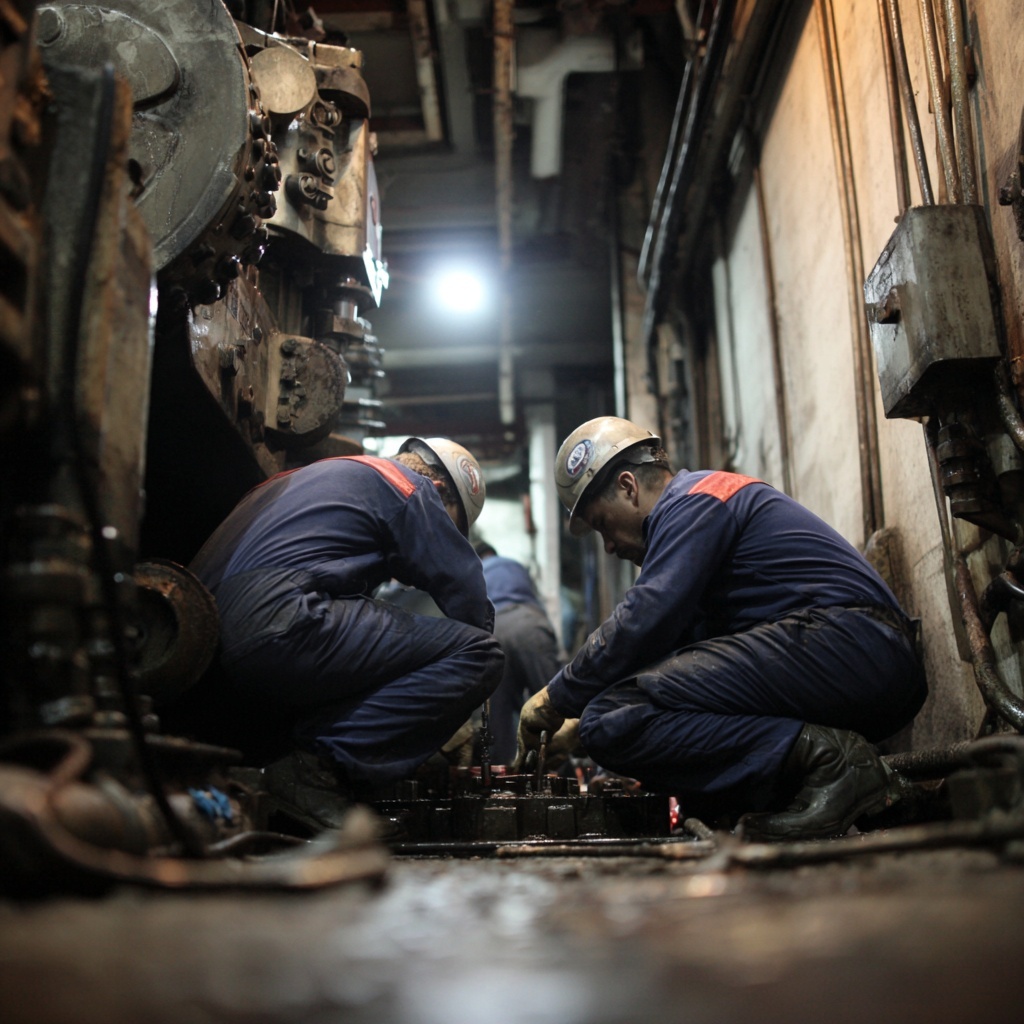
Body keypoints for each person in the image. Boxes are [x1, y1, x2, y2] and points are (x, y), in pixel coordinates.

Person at [513, 416, 927, 840]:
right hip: (853, 656)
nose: (610, 546)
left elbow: (642, 620)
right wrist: (580, 731)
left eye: (602, 525)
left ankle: (836, 764)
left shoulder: (695, 501)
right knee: (609, 718)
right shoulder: (694, 527)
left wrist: (556, 698)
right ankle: (867, 787)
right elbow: (679, 671)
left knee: (611, 715)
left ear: (628, 487)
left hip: (856, 646)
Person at [188, 437, 504, 823]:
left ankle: (286, 775)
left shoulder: (301, 481)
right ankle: (314, 774)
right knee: (479, 653)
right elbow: (465, 593)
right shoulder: (405, 484)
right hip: (280, 620)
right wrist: (449, 708)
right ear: (439, 490)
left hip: (202, 653)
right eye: (449, 524)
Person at [474, 541, 564, 763]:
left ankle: (502, 781)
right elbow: (537, 601)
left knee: (495, 723)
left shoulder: (475, 570)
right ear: (493, 552)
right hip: (529, 624)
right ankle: (566, 774)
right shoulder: (514, 565)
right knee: (557, 702)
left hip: (493, 633)